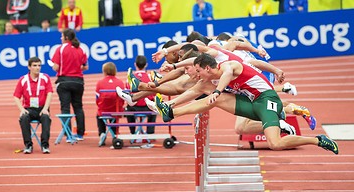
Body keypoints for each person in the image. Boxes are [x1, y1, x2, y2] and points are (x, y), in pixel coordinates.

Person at [153, 53, 338, 154]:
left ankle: (318, 140)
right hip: (250, 102)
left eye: (199, 71)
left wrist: (217, 92)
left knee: (275, 143)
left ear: (208, 68)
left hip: (267, 100)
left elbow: (226, 74)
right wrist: (172, 103)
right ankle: (170, 112)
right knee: (206, 92)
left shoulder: (228, 65)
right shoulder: (209, 76)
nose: (197, 74)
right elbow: (195, 89)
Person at [51, 28, 88, 141]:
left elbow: (56, 67)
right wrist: (75, 67)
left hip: (64, 81)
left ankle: (68, 134)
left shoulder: (60, 49)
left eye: (62, 36)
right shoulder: (80, 49)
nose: (60, 38)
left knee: (65, 108)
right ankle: (80, 134)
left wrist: (55, 67)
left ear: (66, 37)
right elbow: (85, 67)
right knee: (78, 107)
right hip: (78, 81)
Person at [13, 57, 53, 154]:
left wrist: (45, 108)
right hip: (29, 109)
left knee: (46, 118)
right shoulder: (23, 80)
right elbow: (16, 96)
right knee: (24, 118)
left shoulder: (45, 77)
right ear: (29, 67)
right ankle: (28, 145)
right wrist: (22, 110)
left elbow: (50, 93)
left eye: (39, 65)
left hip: (42, 108)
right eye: (35, 66)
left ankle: (45, 145)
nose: (37, 68)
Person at [124, 55, 157, 136]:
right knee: (154, 107)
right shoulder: (150, 77)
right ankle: (150, 132)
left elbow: (126, 94)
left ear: (135, 64)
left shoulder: (130, 78)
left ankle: (132, 132)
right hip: (148, 107)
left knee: (128, 109)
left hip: (133, 108)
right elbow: (156, 93)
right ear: (146, 65)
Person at [96, 62, 125, 146]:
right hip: (116, 110)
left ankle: (102, 133)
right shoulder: (120, 82)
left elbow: (97, 99)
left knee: (99, 114)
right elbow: (123, 98)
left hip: (103, 110)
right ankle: (115, 134)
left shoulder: (100, 83)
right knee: (115, 113)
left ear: (104, 71)